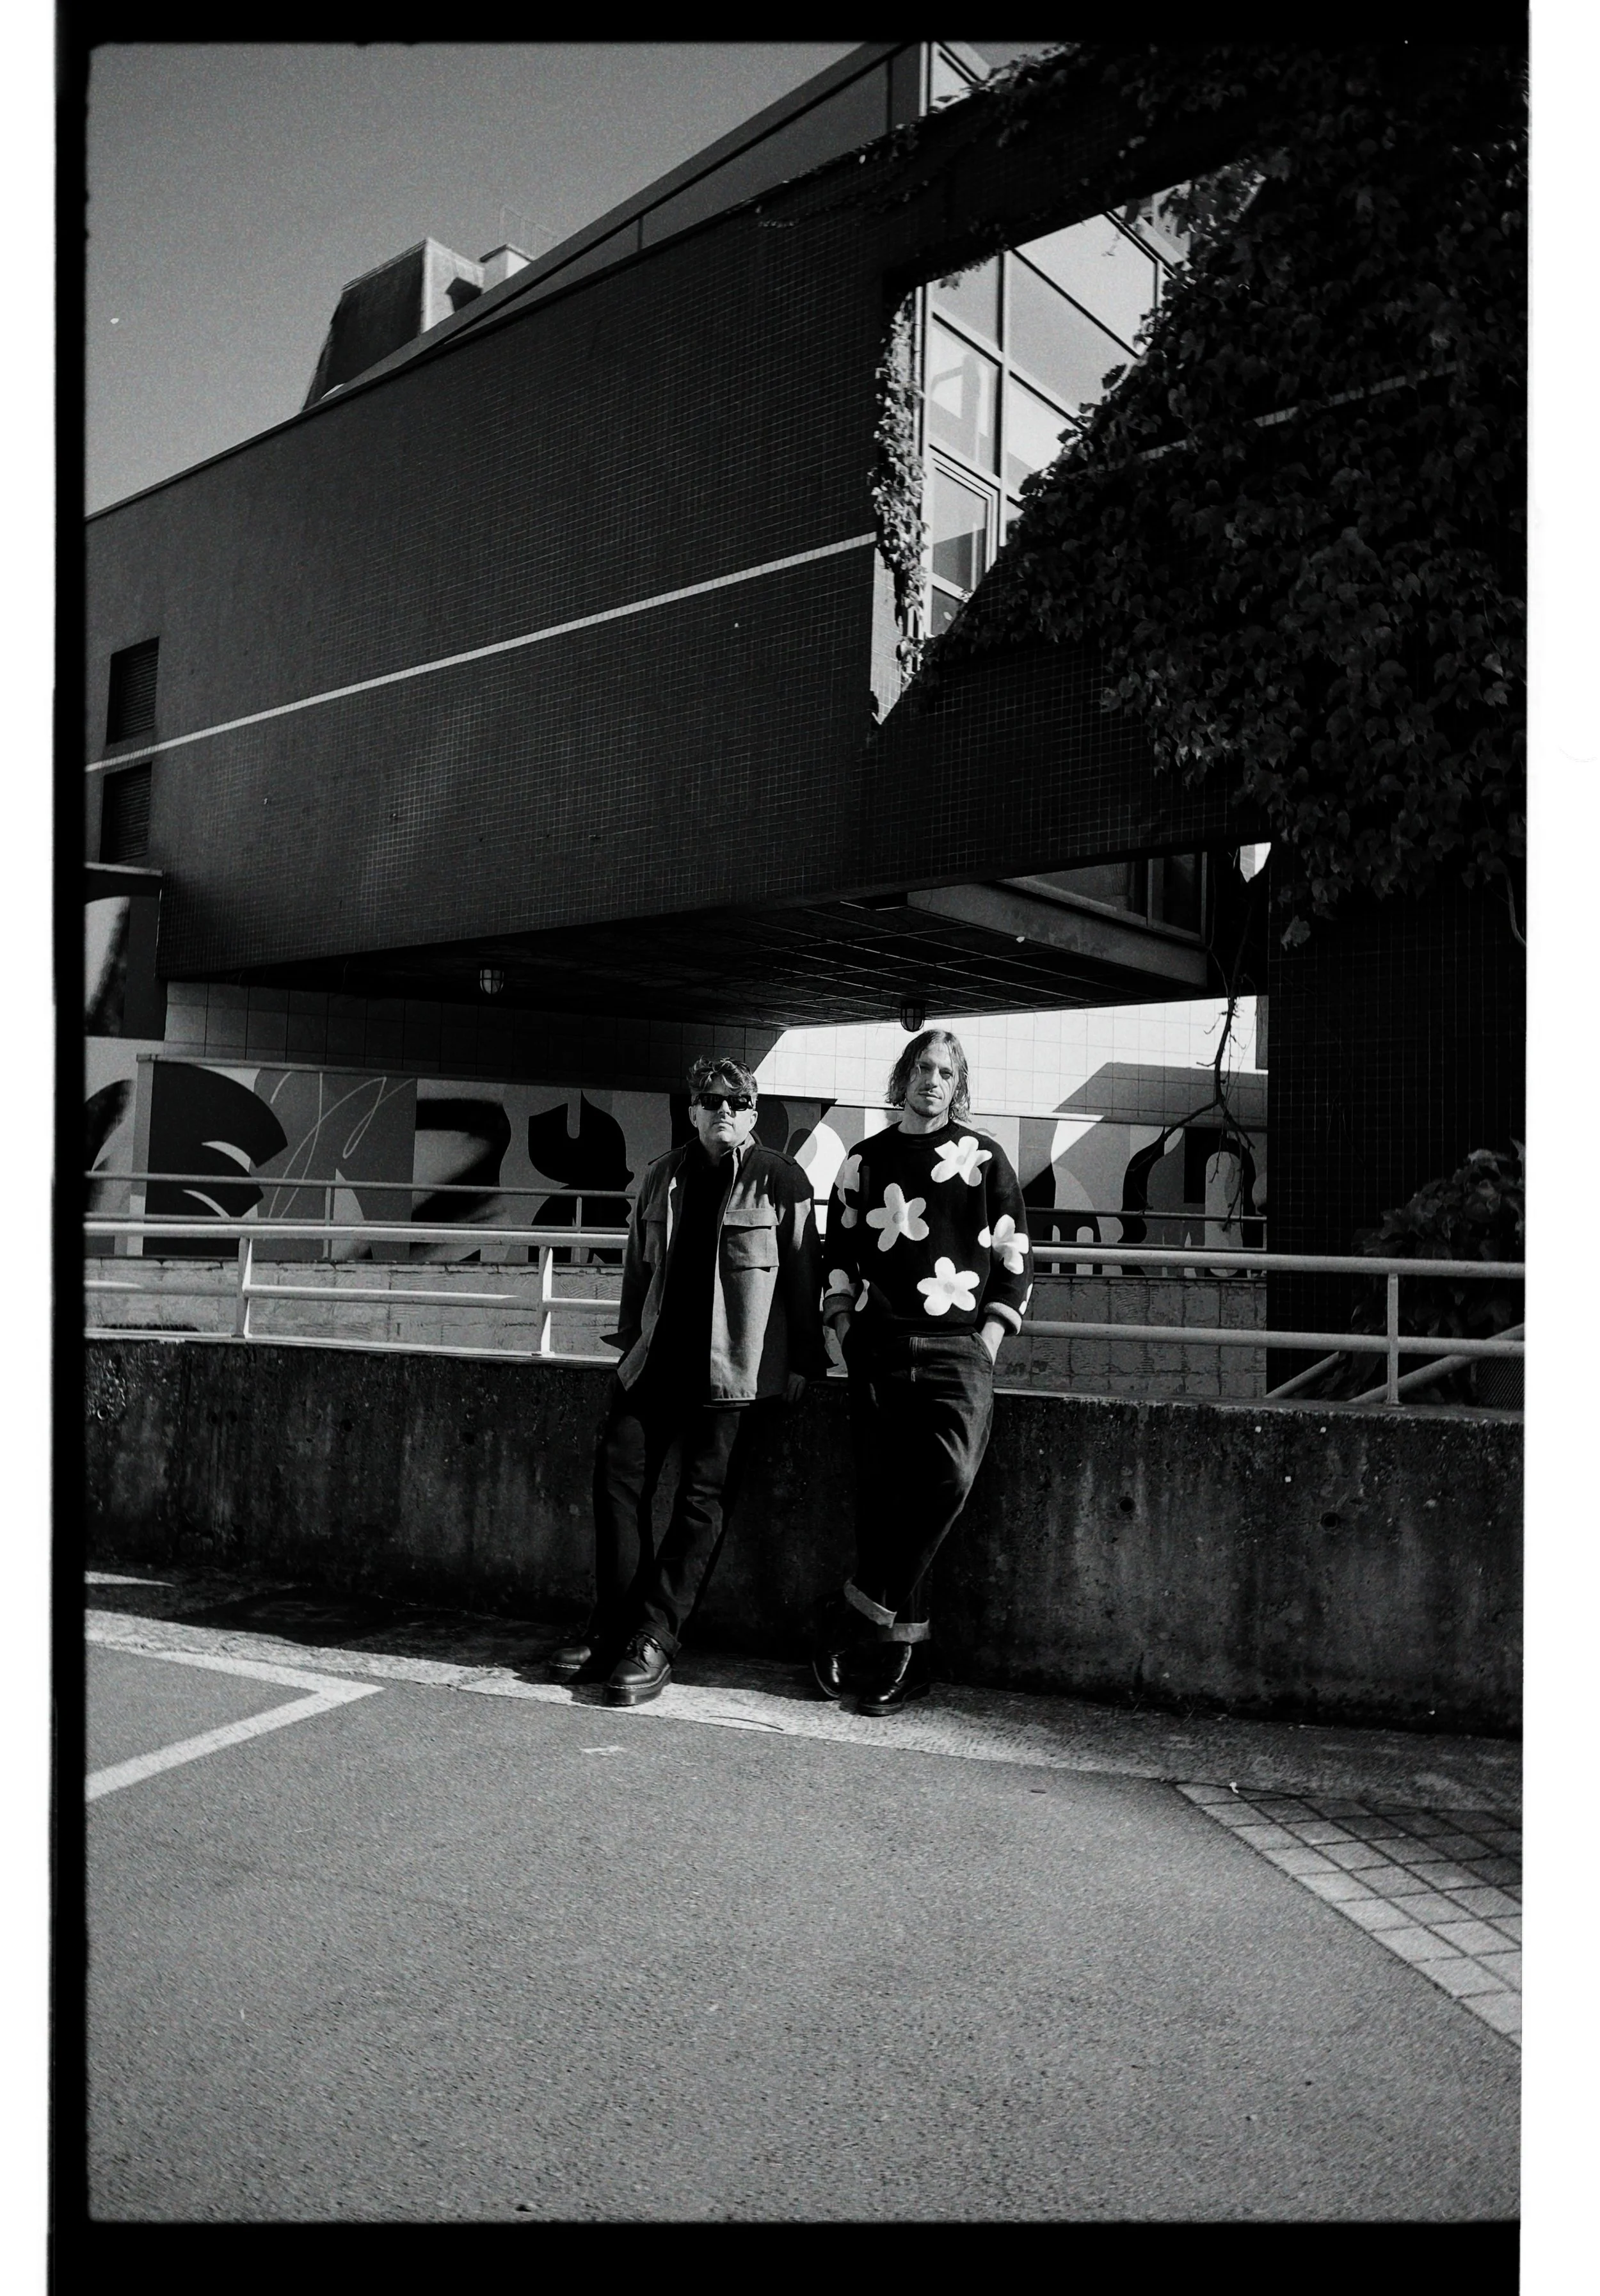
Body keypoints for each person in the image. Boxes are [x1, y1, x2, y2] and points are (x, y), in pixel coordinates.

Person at [551, 1055, 827, 1705]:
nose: (721, 1111)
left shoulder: (779, 1182)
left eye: (735, 1102)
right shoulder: (662, 1179)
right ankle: (614, 1626)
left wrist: (804, 1365)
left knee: (702, 1505)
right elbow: (637, 1274)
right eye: (710, 1100)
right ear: (692, 1109)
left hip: (734, 1373)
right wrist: (629, 1348)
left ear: (753, 1114)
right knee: (617, 1483)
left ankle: (654, 1638)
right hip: (655, 1365)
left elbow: (803, 1278)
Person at [812, 1028, 1032, 1714]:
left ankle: (856, 1617)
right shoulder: (865, 1159)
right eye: (922, 1067)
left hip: (958, 1349)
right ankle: (899, 1656)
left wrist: (987, 1341)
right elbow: (839, 1251)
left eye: (945, 1072)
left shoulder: (983, 1158)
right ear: (903, 1076)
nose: (931, 1080)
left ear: (957, 1086)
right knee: (885, 1503)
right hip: (878, 1346)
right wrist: (845, 1329)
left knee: (948, 1480)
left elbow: (1015, 1256)